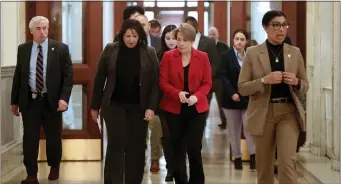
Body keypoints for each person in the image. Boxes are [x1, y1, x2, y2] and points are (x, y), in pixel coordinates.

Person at [238, 10, 308, 184]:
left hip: (288, 112)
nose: (281, 29)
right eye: (276, 25)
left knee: (287, 162)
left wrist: (297, 82)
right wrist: (264, 80)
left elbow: (305, 85)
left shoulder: (295, 52)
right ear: (265, 28)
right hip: (263, 112)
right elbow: (242, 88)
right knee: (264, 164)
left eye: (284, 25)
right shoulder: (253, 53)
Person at [90, 19, 159, 184]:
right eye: (128, 36)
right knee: (116, 143)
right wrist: (95, 106)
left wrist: (151, 107)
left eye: (134, 36)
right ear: (122, 36)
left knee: (136, 147)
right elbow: (99, 78)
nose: (131, 39)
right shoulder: (110, 50)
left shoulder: (149, 52)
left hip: (139, 107)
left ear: (139, 36)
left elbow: (156, 83)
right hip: (114, 105)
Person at [11, 16, 73, 184]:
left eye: (45, 28)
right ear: (31, 30)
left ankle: (54, 166)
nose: (42, 32)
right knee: (30, 138)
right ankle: (31, 174)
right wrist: (14, 101)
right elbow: (19, 75)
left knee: (53, 137)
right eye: (38, 28)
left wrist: (64, 99)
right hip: (30, 101)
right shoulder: (23, 49)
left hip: (52, 101)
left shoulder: (60, 48)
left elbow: (68, 77)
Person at [159, 23, 212, 184]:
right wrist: (177, 93)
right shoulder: (168, 57)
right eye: (179, 40)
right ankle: (180, 180)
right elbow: (163, 82)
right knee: (177, 148)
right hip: (173, 109)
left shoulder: (202, 57)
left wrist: (197, 96)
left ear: (192, 41)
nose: (181, 43)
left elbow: (207, 83)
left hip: (196, 108)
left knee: (194, 148)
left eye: (185, 40)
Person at [220, 29, 256, 170]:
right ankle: (238, 158)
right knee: (234, 130)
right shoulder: (226, 55)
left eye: (242, 39)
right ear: (233, 40)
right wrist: (232, 93)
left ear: (246, 41)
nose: (239, 42)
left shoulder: (250, 55)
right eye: (236, 39)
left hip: (247, 98)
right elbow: (222, 76)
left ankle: (253, 157)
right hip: (230, 99)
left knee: (249, 128)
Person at [134, 14, 162, 172]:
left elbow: (157, 77)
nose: (142, 28)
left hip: (153, 97)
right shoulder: (125, 44)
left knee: (155, 126)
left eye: (144, 25)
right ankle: (138, 157)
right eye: (138, 24)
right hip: (133, 99)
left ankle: (155, 159)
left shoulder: (157, 43)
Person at [184, 17, 223, 126]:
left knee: (202, 111)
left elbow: (215, 63)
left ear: (196, 27)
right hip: (187, 83)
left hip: (205, 84)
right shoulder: (183, 41)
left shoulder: (208, 42)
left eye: (189, 27)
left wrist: (205, 78)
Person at [157, 24, 177, 182]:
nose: (171, 41)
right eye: (167, 38)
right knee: (167, 136)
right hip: (163, 103)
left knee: (180, 137)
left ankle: (178, 167)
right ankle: (171, 168)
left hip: (182, 102)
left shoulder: (186, 55)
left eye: (174, 38)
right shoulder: (158, 55)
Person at [208, 26, 229, 129]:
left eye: (214, 34)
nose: (212, 36)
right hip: (207, 79)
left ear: (218, 35)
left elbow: (227, 61)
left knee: (221, 102)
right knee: (205, 102)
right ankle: (202, 123)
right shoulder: (205, 46)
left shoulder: (223, 46)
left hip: (219, 79)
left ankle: (224, 122)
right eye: (210, 34)